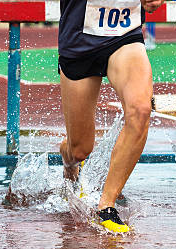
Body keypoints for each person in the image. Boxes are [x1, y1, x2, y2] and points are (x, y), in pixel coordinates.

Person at [58, 0, 164, 233]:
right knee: (79, 150)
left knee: (141, 109)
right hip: (80, 41)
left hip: (124, 36)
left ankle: (106, 205)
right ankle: (67, 159)